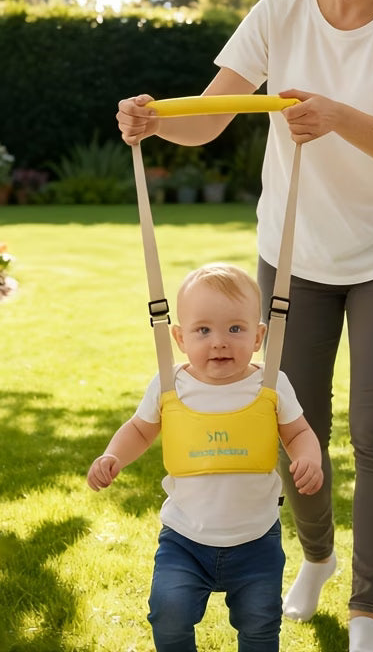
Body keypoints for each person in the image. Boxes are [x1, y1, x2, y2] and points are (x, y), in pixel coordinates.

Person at [115, 0, 373, 652]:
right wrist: (155, 119)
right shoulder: (279, 13)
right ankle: (316, 559)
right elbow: (211, 115)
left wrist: (333, 115)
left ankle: (365, 610)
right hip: (294, 255)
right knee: (288, 422)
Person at [87, 263, 323, 652]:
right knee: (168, 612)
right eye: (203, 330)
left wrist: (308, 458)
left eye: (235, 329)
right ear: (179, 337)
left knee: (261, 622)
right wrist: (113, 455)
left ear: (259, 335)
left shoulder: (270, 384)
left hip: (257, 537)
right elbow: (140, 429)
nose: (219, 342)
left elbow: (298, 432)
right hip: (185, 538)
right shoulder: (170, 385)